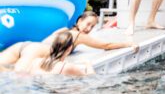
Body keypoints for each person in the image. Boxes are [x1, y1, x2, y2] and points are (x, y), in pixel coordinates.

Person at [0, 11, 136, 71]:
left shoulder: (63, 30)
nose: (89, 29)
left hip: (24, 46)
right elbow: (106, 45)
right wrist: (128, 44)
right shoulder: (77, 35)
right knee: (18, 79)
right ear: (79, 21)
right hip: (37, 51)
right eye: (88, 24)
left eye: (93, 26)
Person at [28, 30, 94, 77]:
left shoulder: (36, 61)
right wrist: (88, 64)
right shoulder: (67, 67)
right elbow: (91, 79)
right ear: (70, 48)